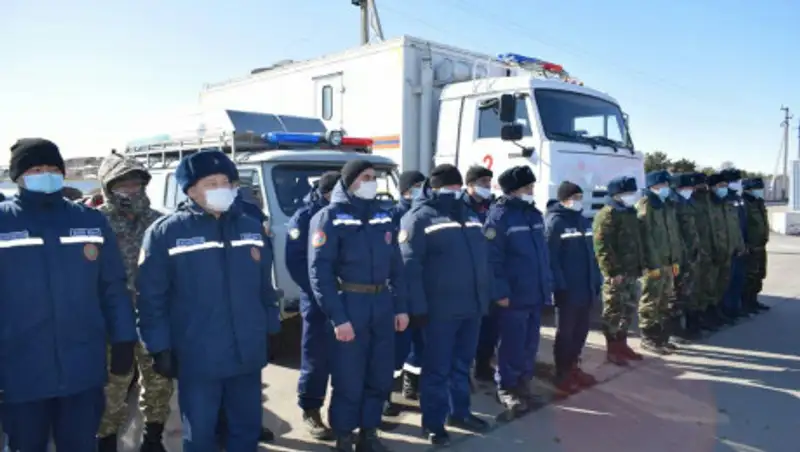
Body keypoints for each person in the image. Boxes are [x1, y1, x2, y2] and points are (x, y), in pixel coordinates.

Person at [137, 150, 281, 451]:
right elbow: (151, 298)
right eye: (211, 183)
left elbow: (265, 287)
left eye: (226, 181)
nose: (222, 188)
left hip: (247, 352)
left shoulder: (251, 227)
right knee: (200, 433)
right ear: (190, 190)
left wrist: (270, 327)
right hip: (198, 355)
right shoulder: (166, 233)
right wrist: (159, 347)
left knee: (246, 429)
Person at [0, 138, 137, 451]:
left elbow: (112, 286)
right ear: (19, 176)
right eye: (36, 168)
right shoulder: (4, 221)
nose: (46, 174)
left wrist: (123, 339)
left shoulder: (90, 220)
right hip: (21, 370)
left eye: (52, 168)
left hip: (82, 368)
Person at [308, 159, 409, 452]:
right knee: (348, 376)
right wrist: (338, 318)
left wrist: (400, 307)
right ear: (350, 181)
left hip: (381, 304)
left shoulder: (382, 215)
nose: (372, 182)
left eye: (374, 177)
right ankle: (343, 435)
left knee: (379, 374)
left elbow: (396, 266)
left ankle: (369, 432)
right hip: (350, 303)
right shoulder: (329, 217)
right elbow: (320, 273)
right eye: (366, 177)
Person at [400, 164, 490, 446]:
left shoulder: (470, 215)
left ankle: (459, 412)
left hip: (471, 307)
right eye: (451, 187)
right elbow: (409, 268)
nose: (456, 191)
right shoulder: (418, 218)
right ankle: (433, 424)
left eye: (458, 186)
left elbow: (481, 261)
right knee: (437, 369)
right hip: (439, 311)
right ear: (436, 187)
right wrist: (418, 309)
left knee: (462, 364)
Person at [95, 151, 170, 452]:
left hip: (153, 318)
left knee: (160, 383)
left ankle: (153, 439)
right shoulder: (96, 223)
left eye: (136, 184)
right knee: (113, 385)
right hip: (113, 321)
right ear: (107, 188)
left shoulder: (159, 223)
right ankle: (106, 439)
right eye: (122, 185)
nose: (130, 190)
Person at [483, 166, 552, 413]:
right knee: (512, 343)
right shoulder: (500, 217)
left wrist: (547, 286)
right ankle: (507, 388)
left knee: (529, 343)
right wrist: (500, 292)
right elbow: (492, 260)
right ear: (514, 191)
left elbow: (542, 256)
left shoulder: (533, 214)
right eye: (528, 188)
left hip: (534, 293)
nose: (532, 191)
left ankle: (524, 385)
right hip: (513, 295)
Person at [285, 171, 340, 439]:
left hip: (347, 298)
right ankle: (311, 409)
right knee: (316, 356)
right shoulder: (305, 217)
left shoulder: (346, 212)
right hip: (317, 298)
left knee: (345, 358)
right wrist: (320, 292)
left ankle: (343, 415)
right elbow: (295, 262)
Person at [545, 181, 601, 394]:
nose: (579, 202)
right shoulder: (556, 222)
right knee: (566, 333)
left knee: (581, 330)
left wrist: (596, 280)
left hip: (586, 287)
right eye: (575, 198)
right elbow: (551, 257)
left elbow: (592, 256)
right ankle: (562, 372)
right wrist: (560, 285)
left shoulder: (583, 221)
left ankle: (574, 366)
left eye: (580, 197)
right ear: (564, 199)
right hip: (568, 289)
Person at [592, 175, 644, 366]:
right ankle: (612, 349)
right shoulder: (607, 214)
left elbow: (636, 241)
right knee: (613, 310)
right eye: (628, 193)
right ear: (617, 194)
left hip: (631, 270)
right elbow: (602, 246)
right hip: (617, 273)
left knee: (628, 309)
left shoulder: (629, 212)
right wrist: (612, 272)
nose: (632, 196)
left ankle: (622, 344)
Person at [387, 170, 425, 413]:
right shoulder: (394, 216)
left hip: (419, 292)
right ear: (406, 190)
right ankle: (386, 393)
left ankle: (411, 384)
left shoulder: (422, 215)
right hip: (399, 293)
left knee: (418, 343)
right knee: (396, 347)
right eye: (418, 186)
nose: (422, 190)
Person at [462, 165, 499, 383]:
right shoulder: (461, 208)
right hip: (470, 278)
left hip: (490, 275)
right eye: (483, 182)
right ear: (470, 185)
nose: (487, 186)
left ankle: (483, 366)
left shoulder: (491, 207)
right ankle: (464, 373)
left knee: (490, 328)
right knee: (470, 330)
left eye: (488, 182)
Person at [667, 173, 703, 341]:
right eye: (686, 188)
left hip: (692, 253)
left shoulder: (689, 202)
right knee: (676, 293)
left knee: (689, 291)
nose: (690, 190)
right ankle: (674, 330)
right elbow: (674, 233)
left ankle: (689, 325)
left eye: (691, 187)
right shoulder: (672, 205)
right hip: (679, 255)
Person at [706, 172, 740, 327]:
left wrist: (739, 245)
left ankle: (719, 312)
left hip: (728, 251)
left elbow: (734, 227)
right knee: (710, 286)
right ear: (712, 187)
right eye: (721, 186)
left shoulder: (726, 203)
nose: (724, 189)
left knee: (722, 284)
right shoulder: (708, 205)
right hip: (714, 252)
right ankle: (708, 315)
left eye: (726, 186)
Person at [721, 169, 748, 319]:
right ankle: (727, 309)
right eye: (734, 181)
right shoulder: (725, 199)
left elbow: (743, 222)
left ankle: (735, 307)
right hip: (729, 246)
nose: (738, 183)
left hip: (740, 243)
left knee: (738, 278)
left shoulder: (738, 198)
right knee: (728, 279)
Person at [741, 178, 771, 313]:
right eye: (757, 188)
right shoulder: (744, 204)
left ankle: (754, 300)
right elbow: (742, 226)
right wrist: (745, 244)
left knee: (760, 274)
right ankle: (746, 303)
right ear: (749, 189)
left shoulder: (758, 202)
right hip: (751, 246)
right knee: (749, 275)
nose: (760, 191)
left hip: (760, 245)